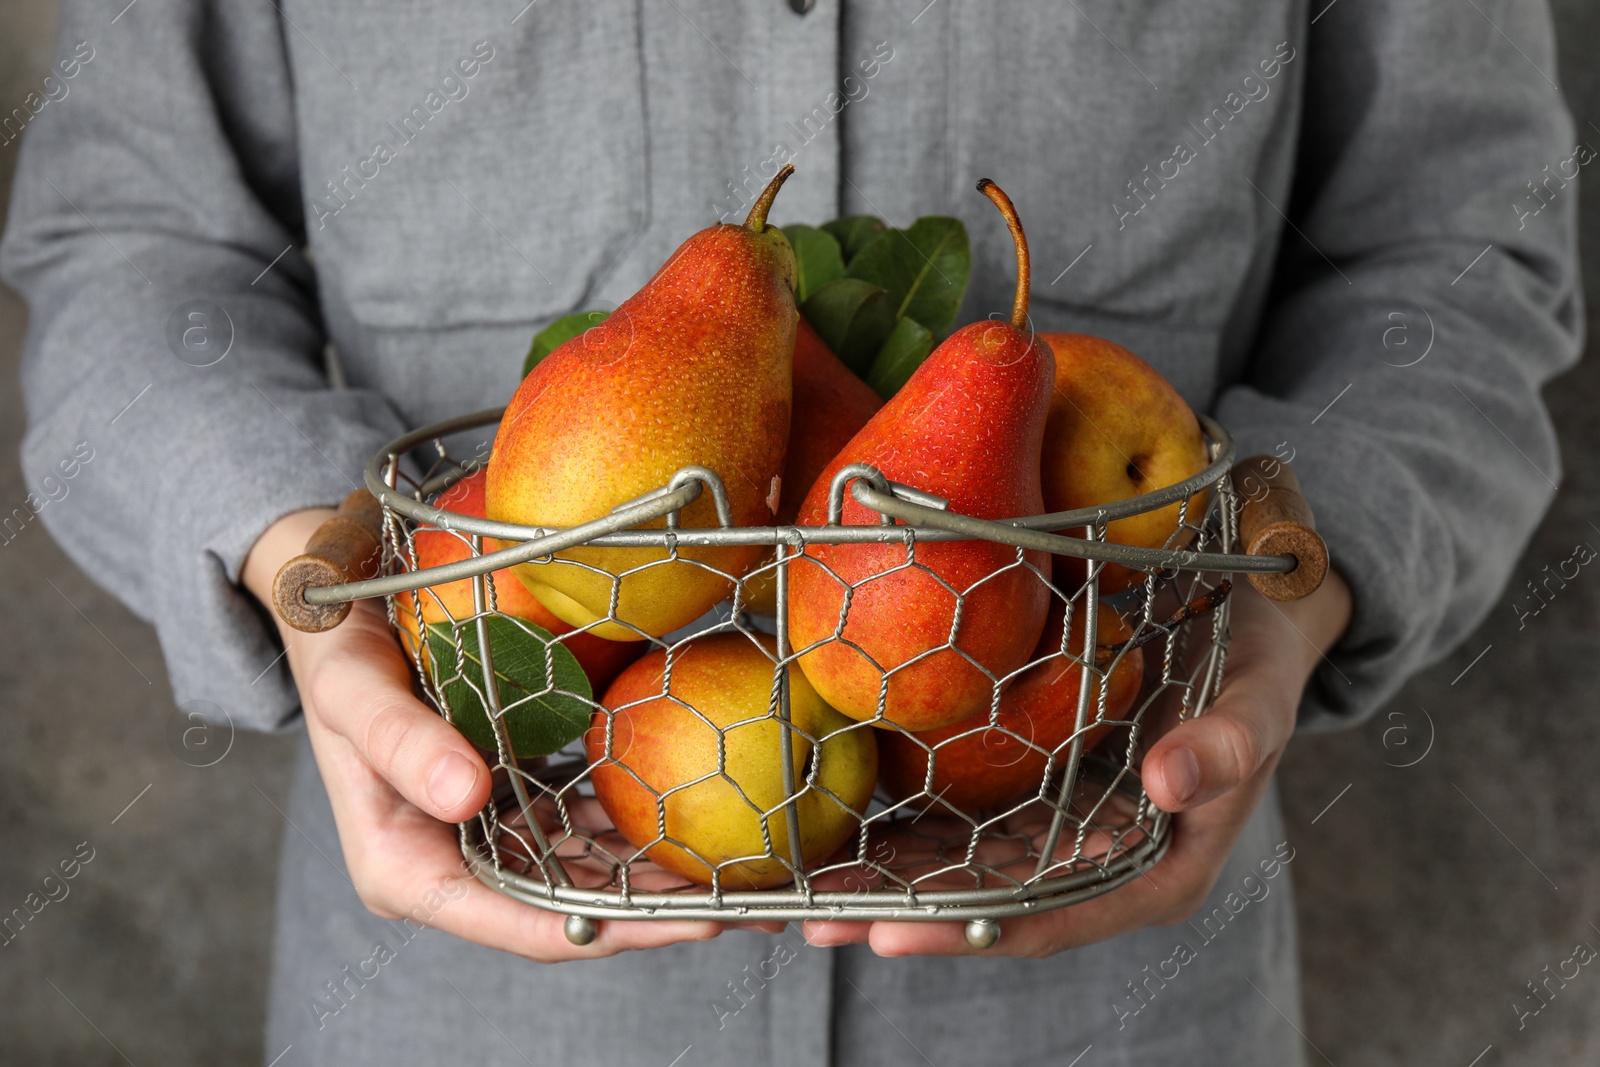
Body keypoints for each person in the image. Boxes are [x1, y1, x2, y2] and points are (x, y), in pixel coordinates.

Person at [3, 0, 1580, 1063]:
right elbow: (132, 245)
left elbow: (1459, 253)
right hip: (457, 996)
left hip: (1115, 949)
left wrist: (1294, 577)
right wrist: (307, 564)